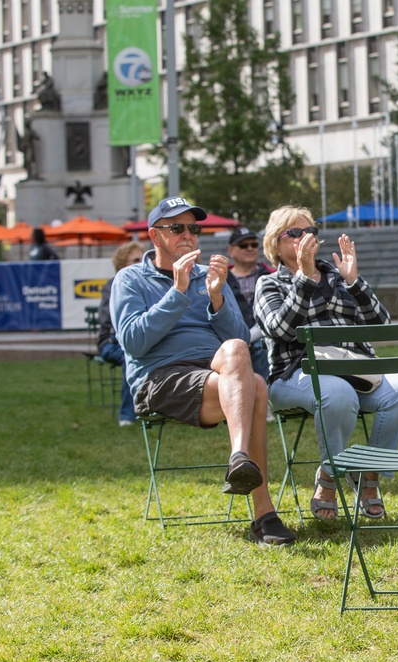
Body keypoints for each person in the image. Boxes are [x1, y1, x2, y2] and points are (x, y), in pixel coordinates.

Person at [110, 196, 296, 545]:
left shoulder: (209, 276)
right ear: (154, 235)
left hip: (215, 372)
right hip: (160, 376)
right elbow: (134, 342)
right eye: (176, 227)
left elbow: (240, 338)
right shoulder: (131, 278)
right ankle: (264, 513)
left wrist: (216, 299)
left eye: (194, 228)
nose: (188, 234)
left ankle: (239, 458)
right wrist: (178, 292)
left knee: (238, 350)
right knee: (256, 385)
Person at [254, 205, 398, 521]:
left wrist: (354, 282)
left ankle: (368, 474)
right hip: (294, 375)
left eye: (309, 231)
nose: (304, 237)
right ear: (275, 242)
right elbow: (281, 330)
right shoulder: (269, 284)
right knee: (337, 392)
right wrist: (303, 278)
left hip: (357, 372)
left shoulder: (339, 276)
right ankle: (331, 475)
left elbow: (382, 326)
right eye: (294, 232)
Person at [97, 241, 145, 425]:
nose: (141, 263)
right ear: (121, 265)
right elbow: (109, 323)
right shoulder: (112, 287)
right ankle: (127, 416)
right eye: (136, 260)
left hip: (141, 340)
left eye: (143, 259)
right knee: (131, 356)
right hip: (111, 343)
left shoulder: (148, 284)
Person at [225, 227, 272, 380]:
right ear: (230, 250)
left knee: (263, 346)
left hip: (264, 339)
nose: (250, 248)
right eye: (243, 245)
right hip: (229, 339)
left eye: (254, 244)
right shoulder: (220, 279)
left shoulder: (272, 275)